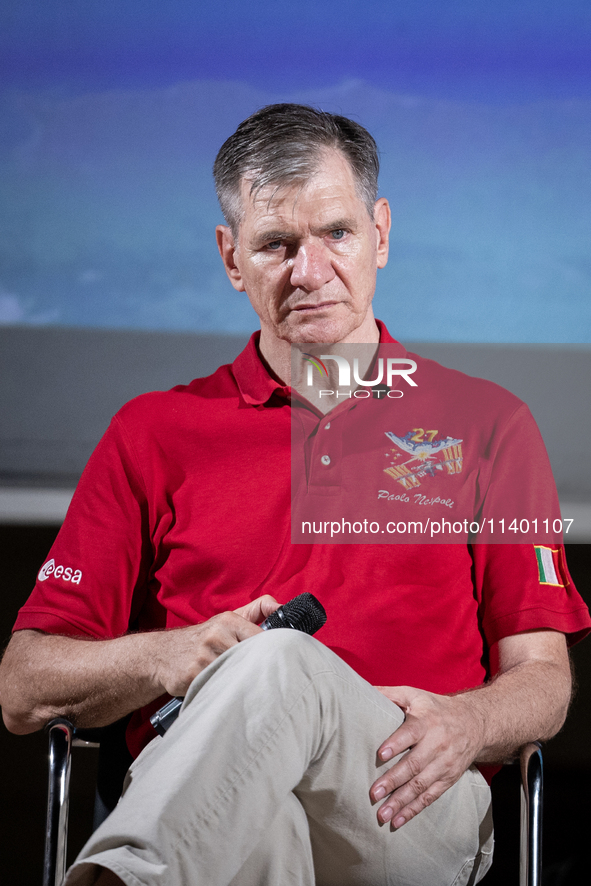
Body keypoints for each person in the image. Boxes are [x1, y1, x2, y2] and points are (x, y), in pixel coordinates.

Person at [0, 104, 589, 886]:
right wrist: (171, 654)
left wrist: (472, 719)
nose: (308, 272)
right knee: (256, 819)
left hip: (404, 800)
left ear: (381, 232)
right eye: (276, 244)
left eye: (336, 234)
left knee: (278, 660)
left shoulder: (488, 425)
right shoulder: (154, 432)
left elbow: (543, 679)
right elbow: (24, 686)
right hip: (208, 801)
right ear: (230, 258)